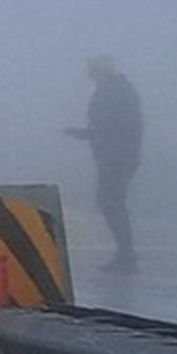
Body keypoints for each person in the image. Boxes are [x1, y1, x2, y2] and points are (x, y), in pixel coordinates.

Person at [67, 56, 145, 273]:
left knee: (110, 202)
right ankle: (125, 253)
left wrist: (87, 133)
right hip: (117, 156)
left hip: (116, 157)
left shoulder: (114, 91)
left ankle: (126, 254)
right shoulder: (117, 89)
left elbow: (113, 125)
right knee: (112, 202)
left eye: (92, 70)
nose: (90, 75)